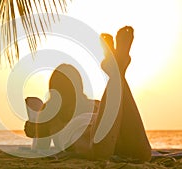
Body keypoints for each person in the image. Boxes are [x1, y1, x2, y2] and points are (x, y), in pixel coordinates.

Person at [24, 26, 152, 161]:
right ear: (79, 86)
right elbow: (117, 108)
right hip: (105, 126)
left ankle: (116, 71)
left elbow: (40, 148)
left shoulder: (49, 113)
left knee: (99, 153)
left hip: (84, 133)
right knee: (143, 155)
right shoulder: (96, 104)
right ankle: (118, 71)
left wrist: (36, 128)